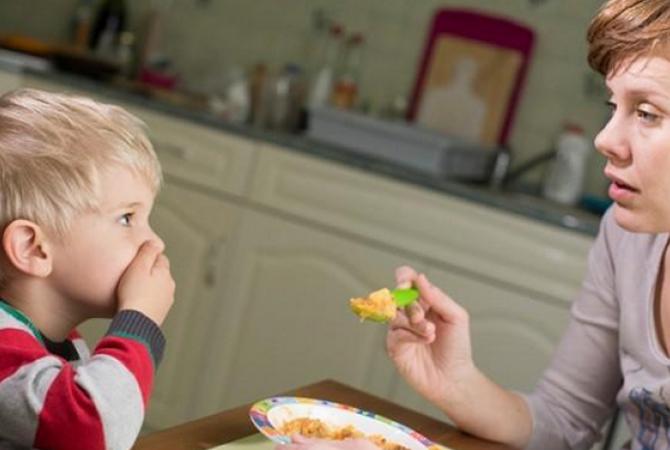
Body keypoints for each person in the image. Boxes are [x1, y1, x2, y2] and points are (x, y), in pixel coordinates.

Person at [278, 0, 670, 449]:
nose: (604, 139)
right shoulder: (624, 239)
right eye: (614, 106)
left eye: (646, 113)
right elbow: (563, 423)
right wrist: (455, 383)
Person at [0, 88, 175, 450]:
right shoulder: (4, 349)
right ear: (33, 248)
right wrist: (138, 319)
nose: (153, 242)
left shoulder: (61, 338)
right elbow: (94, 429)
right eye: (127, 218)